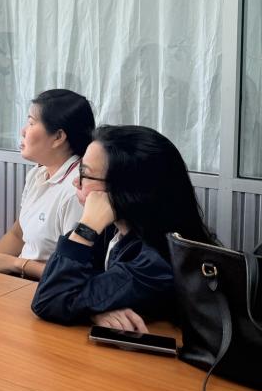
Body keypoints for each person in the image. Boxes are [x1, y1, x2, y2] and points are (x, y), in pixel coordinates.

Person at [31, 124, 215, 331]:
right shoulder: (116, 229)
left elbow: (49, 299)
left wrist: (86, 227)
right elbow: (64, 288)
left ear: (125, 189)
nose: (76, 182)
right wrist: (94, 310)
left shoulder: (154, 262)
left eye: (85, 174)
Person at [0, 89, 95, 280]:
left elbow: (72, 271)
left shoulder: (76, 190)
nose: (23, 131)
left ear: (58, 137)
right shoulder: (38, 173)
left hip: (47, 287)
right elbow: (18, 234)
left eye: (32, 123)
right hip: (20, 278)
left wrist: (17, 264)